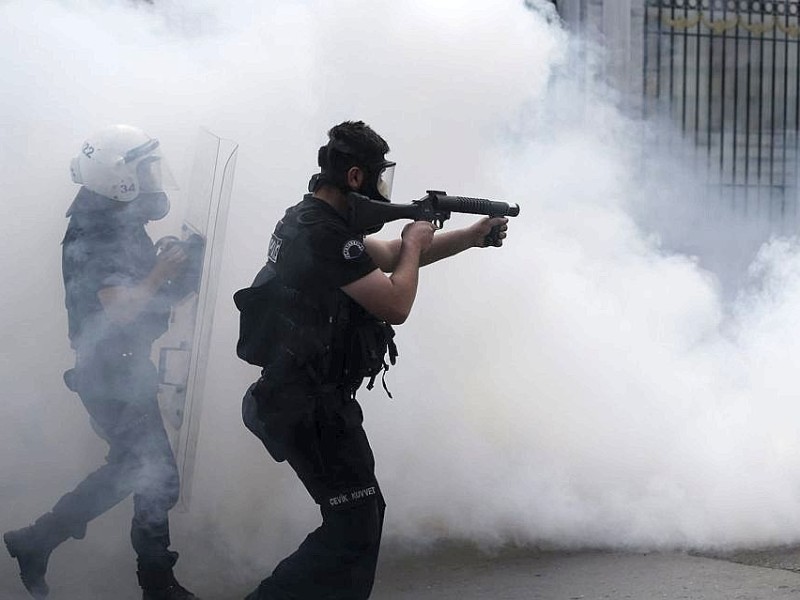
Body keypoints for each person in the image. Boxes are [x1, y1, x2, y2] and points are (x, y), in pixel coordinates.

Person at [238, 120, 510, 599]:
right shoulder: (322, 234)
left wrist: (469, 236)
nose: (385, 191)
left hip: (309, 399)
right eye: (379, 178)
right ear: (357, 178)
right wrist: (414, 242)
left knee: (359, 522)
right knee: (353, 528)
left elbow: (386, 256)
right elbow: (395, 303)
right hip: (306, 405)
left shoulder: (312, 221)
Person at [4, 125, 201, 600]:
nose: (153, 178)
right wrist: (162, 271)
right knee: (156, 475)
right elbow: (121, 305)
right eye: (145, 169)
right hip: (113, 373)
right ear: (119, 177)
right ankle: (157, 585)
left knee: (130, 468)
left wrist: (166, 262)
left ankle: (35, 540)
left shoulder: (111, 215)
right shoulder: (100, 231)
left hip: (115, 369)